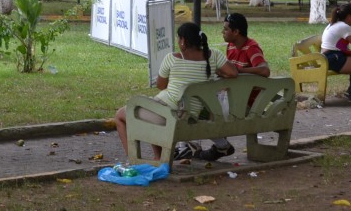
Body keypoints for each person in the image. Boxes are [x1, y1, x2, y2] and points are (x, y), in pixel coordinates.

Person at [115, 22, 238, 161]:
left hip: (170, 116)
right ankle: (158, 157)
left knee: (120, 115)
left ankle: (132, 160)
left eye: (178, 38)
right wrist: (217, 74)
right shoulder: (214, 55)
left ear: (183, 41)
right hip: (192, 115)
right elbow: (233, 72)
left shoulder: (172, 58)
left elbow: (161, 85)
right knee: (152, 106)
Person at [179, 12, 270, 162]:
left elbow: (264, 70)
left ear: (236, 32)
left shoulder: (251, 48)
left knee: (201, 112)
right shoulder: (231, 47)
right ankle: (206, 146)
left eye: (226, 29)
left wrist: (239, 70)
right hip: (230, 98)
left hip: (245, 104)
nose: (223, 32)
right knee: (197, 105)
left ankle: (205, 146)